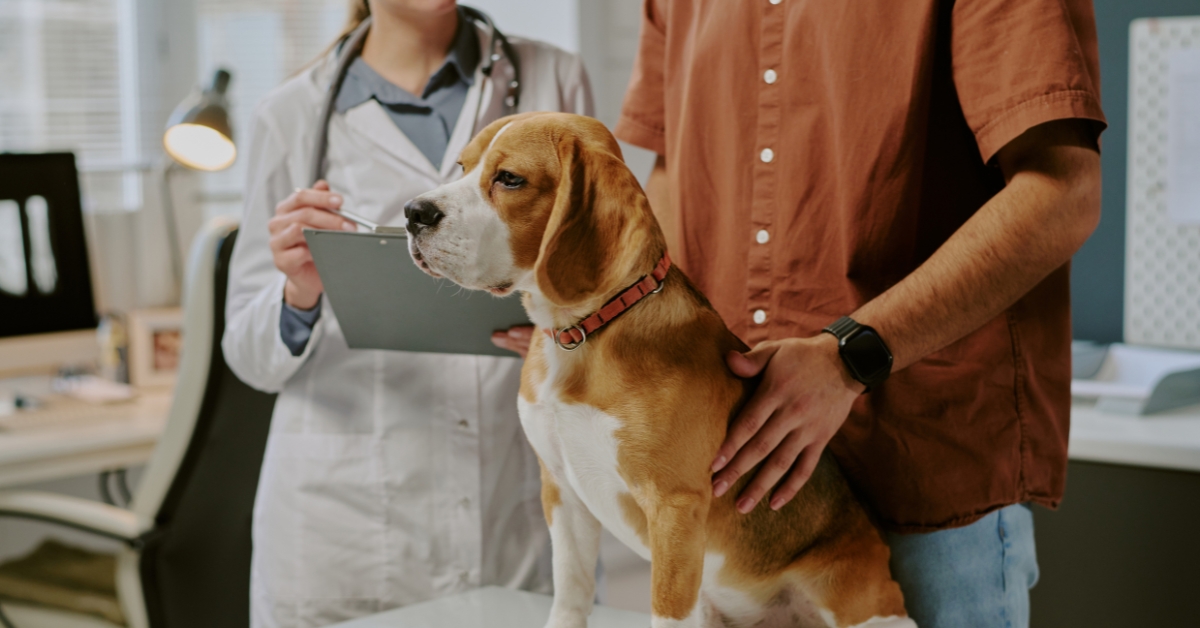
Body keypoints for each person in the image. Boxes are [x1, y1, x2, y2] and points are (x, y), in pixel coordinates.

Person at [615, 1, 1104, 626]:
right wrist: (609, 321)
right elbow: (673, 174)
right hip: (736, 491)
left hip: (922, 477)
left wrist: (849, 354)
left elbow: (1063, 192)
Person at [221, 1, 592, 626]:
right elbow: (249, 355)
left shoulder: (553, 78)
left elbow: (601, 265)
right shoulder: (288, 115)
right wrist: (298, 292)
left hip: (511, 502)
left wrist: (565, 322)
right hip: (344, 532)